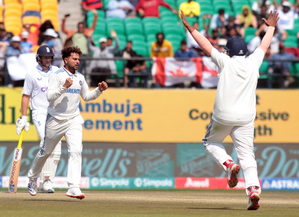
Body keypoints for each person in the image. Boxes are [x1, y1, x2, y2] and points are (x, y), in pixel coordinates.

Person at [181, 9, 279, 210]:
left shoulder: (225, 61)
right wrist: (271, 27)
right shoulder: (254, 62)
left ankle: (228, 164)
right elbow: (264, 44)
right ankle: (253, 190)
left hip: (223, 116)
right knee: (247, 155)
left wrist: (190, 28)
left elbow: (206, 45)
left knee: (210, 142)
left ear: (230, 52)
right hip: (245, 118)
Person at [27, 46, 108, 199]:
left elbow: (86, 97)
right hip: (55, 120)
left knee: (76, 151)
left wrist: (99, 90)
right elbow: (49, 96)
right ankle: (32, 177)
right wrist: (63, 88)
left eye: (79, 59)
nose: (77, 62)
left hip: (74, 119)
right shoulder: (56, 75)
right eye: (74, 59)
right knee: (46, 152)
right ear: (66, 60)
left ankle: (73, 187)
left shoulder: (80, 77)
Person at [17, 45, 61, 193]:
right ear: (39, 58)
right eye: (45, 57)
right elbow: (25, 96)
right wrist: (24, 117)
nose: (47, 60)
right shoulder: (31, 74)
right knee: (46, 142)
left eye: (49, 57)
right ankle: (40, 178)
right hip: (40, 111)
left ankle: (46, 181)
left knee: (57, 149)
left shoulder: (56, 71)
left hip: (54, 111)